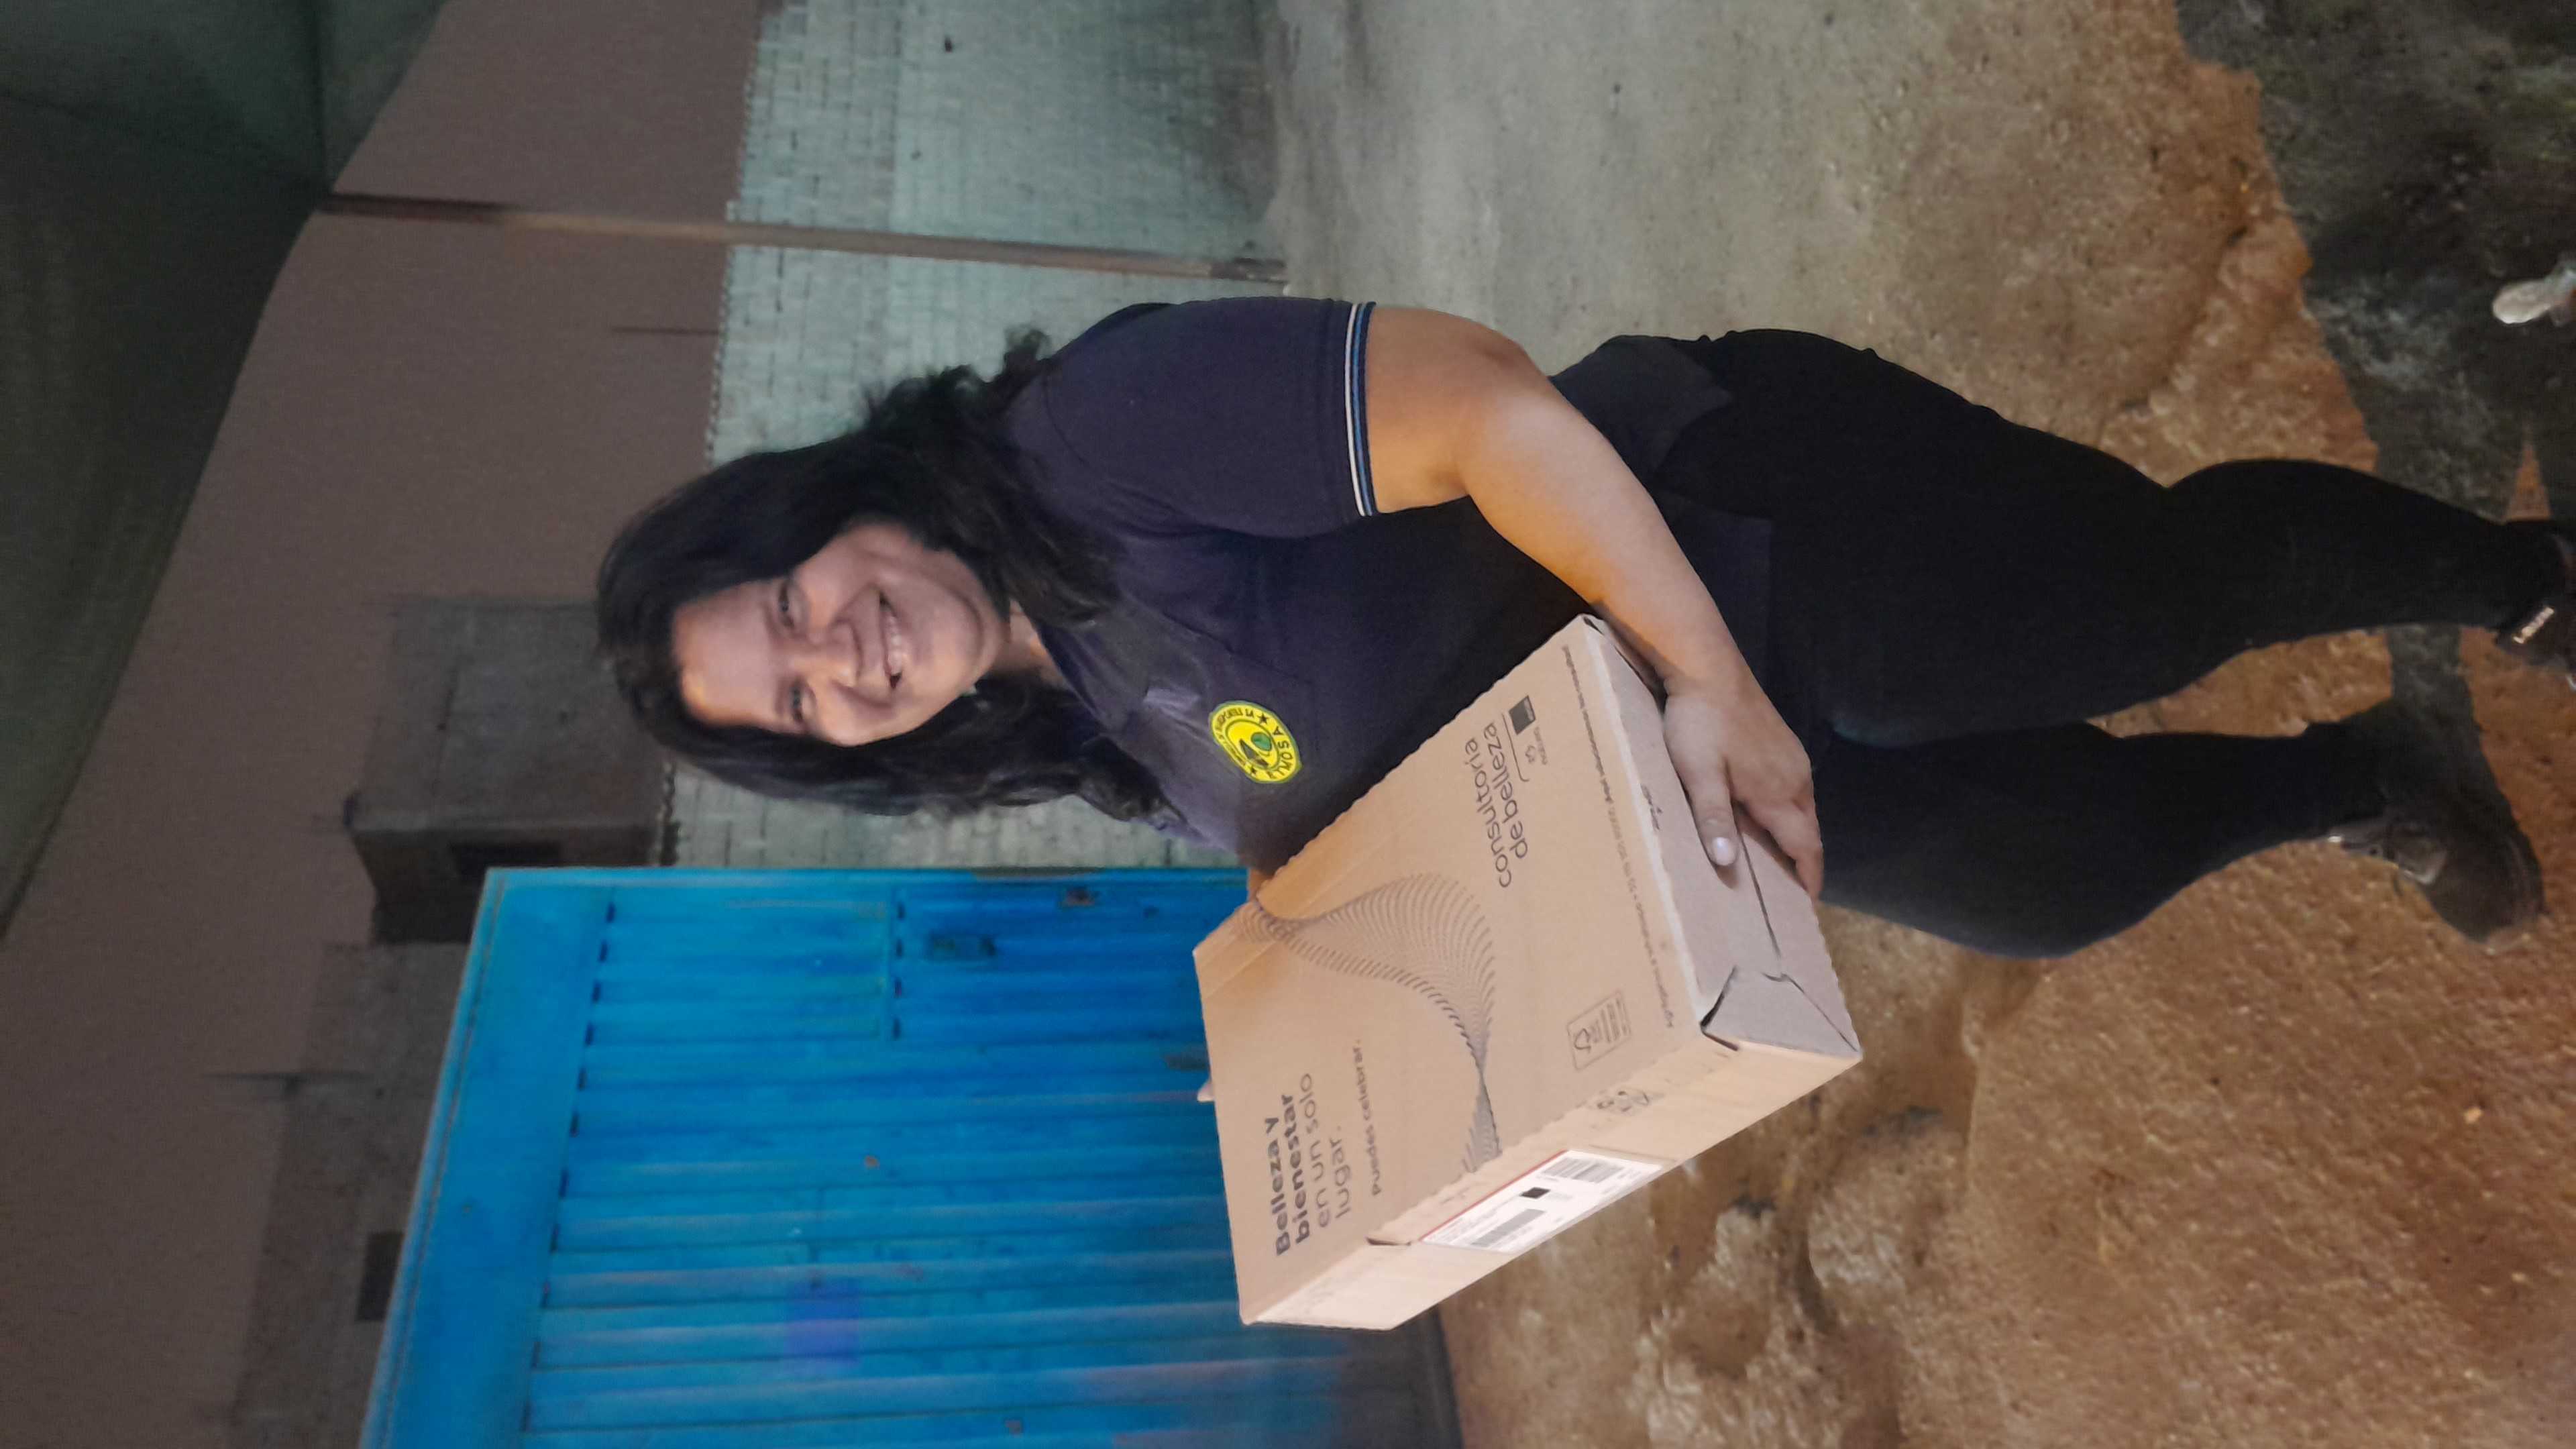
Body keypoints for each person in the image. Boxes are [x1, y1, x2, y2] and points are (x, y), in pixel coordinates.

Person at [597, 297, 2574, 957]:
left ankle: (2522, 582)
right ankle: (2361, 777)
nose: (841, 652)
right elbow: (1328, 812)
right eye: (802, 704)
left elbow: (1488, 405)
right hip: (1676, 752)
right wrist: (1308, 999)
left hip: (1745, 515)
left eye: (791, 601)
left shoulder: (1091, 440)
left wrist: (1708, 677)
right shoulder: (1092, 720)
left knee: (2128, 610)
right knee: (2047, 885)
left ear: (826, 508)